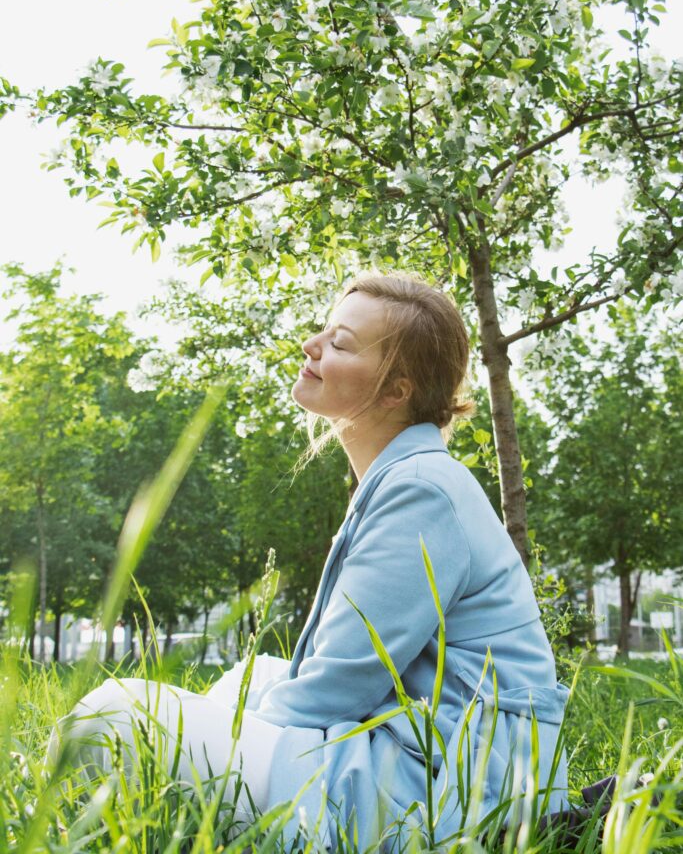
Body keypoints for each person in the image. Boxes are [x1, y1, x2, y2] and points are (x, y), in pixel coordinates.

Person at [47, 270, 569, 850]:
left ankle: (126, 822)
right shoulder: (411, 475)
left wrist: (226, 735)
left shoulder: (421, 489)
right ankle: (188, 817)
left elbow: (342, 682)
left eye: (340, 344)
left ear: (396, 391)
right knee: (253, 676)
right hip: (448, 753)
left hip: (454, 791)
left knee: (108, 716)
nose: (311, 347)